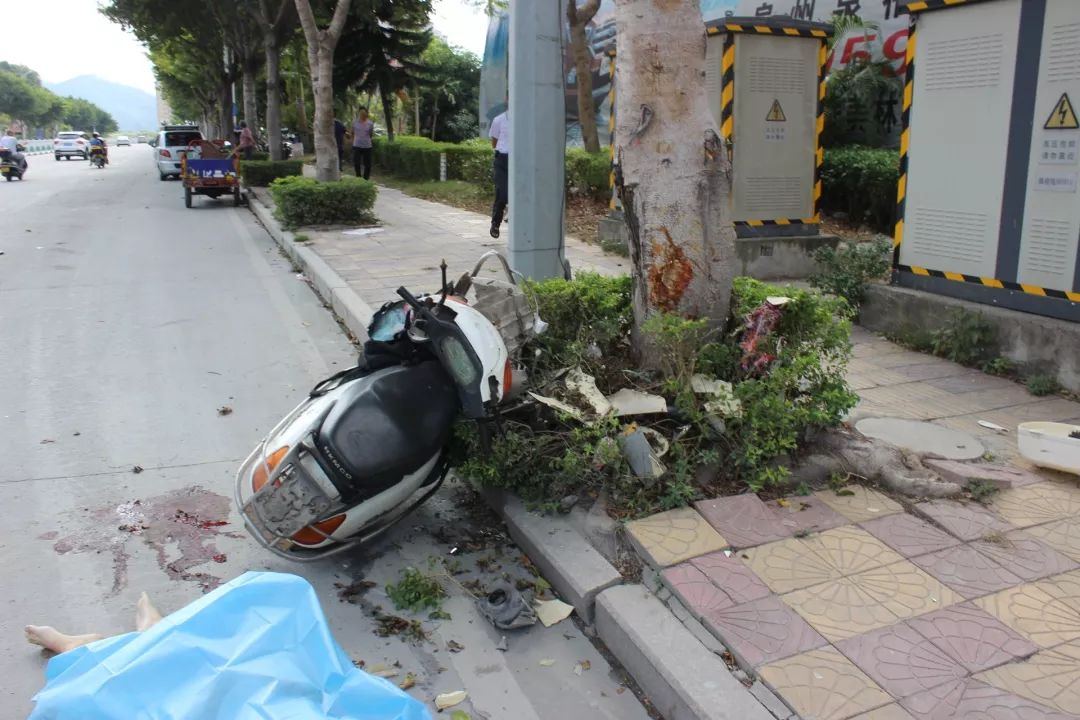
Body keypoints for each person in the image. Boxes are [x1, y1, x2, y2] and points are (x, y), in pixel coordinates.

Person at [488, 102, 510, 239]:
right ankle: (495, 223)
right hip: (502, 159)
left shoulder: (525, 120)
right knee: (502, 192)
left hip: (519, 161)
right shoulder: (499, 120)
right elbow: (494, 143)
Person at [351, 107, 374, 180]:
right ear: (359, 114)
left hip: (367, 145)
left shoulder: (370, 123)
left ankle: (366, 178)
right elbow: (352, 132)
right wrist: (353, 140)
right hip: (357, 145)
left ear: (366, 115)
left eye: (364, 114)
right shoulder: (355, 122)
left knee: (367, 164)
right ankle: (358, 177)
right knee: (356, 162)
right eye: (361, 114)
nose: (363, 115)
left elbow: (370, 134)